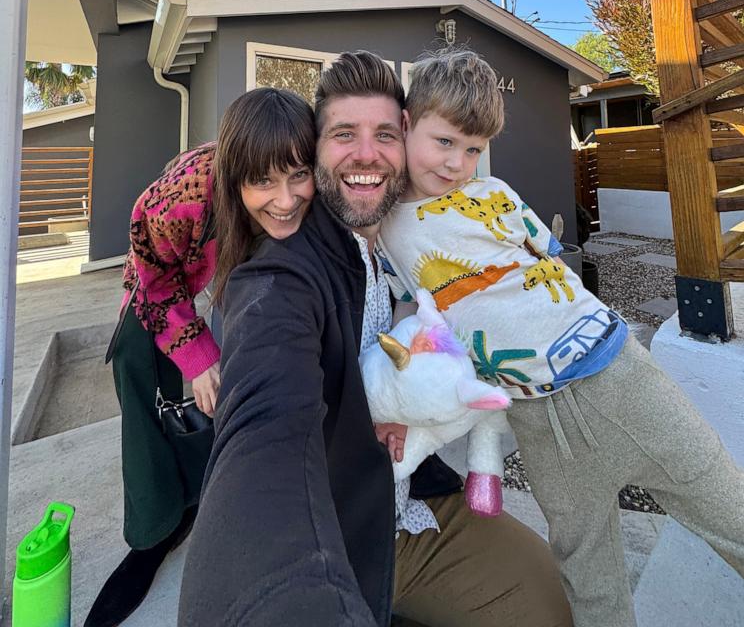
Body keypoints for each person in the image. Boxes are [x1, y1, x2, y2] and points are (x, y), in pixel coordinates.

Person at [178, 50, 573, 627]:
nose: (366, 154)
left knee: (550, 596)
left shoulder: (398, 232)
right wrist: (282, 597)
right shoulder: (280, 279)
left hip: (414, 492)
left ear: (406, 140)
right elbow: (263, 430)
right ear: (314, 149)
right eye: (344, 134)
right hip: (348, 534)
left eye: (384, 134)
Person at [378, 46, 744, 627]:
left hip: (618, 377)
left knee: (729, 509)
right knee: (587, 574)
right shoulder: (383, 219)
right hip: (536, 422)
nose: (456, 163)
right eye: (443, 141)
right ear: (406, 125)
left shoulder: (494, 193)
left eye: (472, 149)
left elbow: (549, 260)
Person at [84, 88, 316, 627]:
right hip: (159, 284)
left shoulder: (312, 191)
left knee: (222, 395)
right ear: (234, 173)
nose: (285, 200)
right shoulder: (179, 197)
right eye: (263, 181)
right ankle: (152, 532)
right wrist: (194, 353)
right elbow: (151, 274)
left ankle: (199, 499)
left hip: (231, 281)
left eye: (297, 176)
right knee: (142, 381)